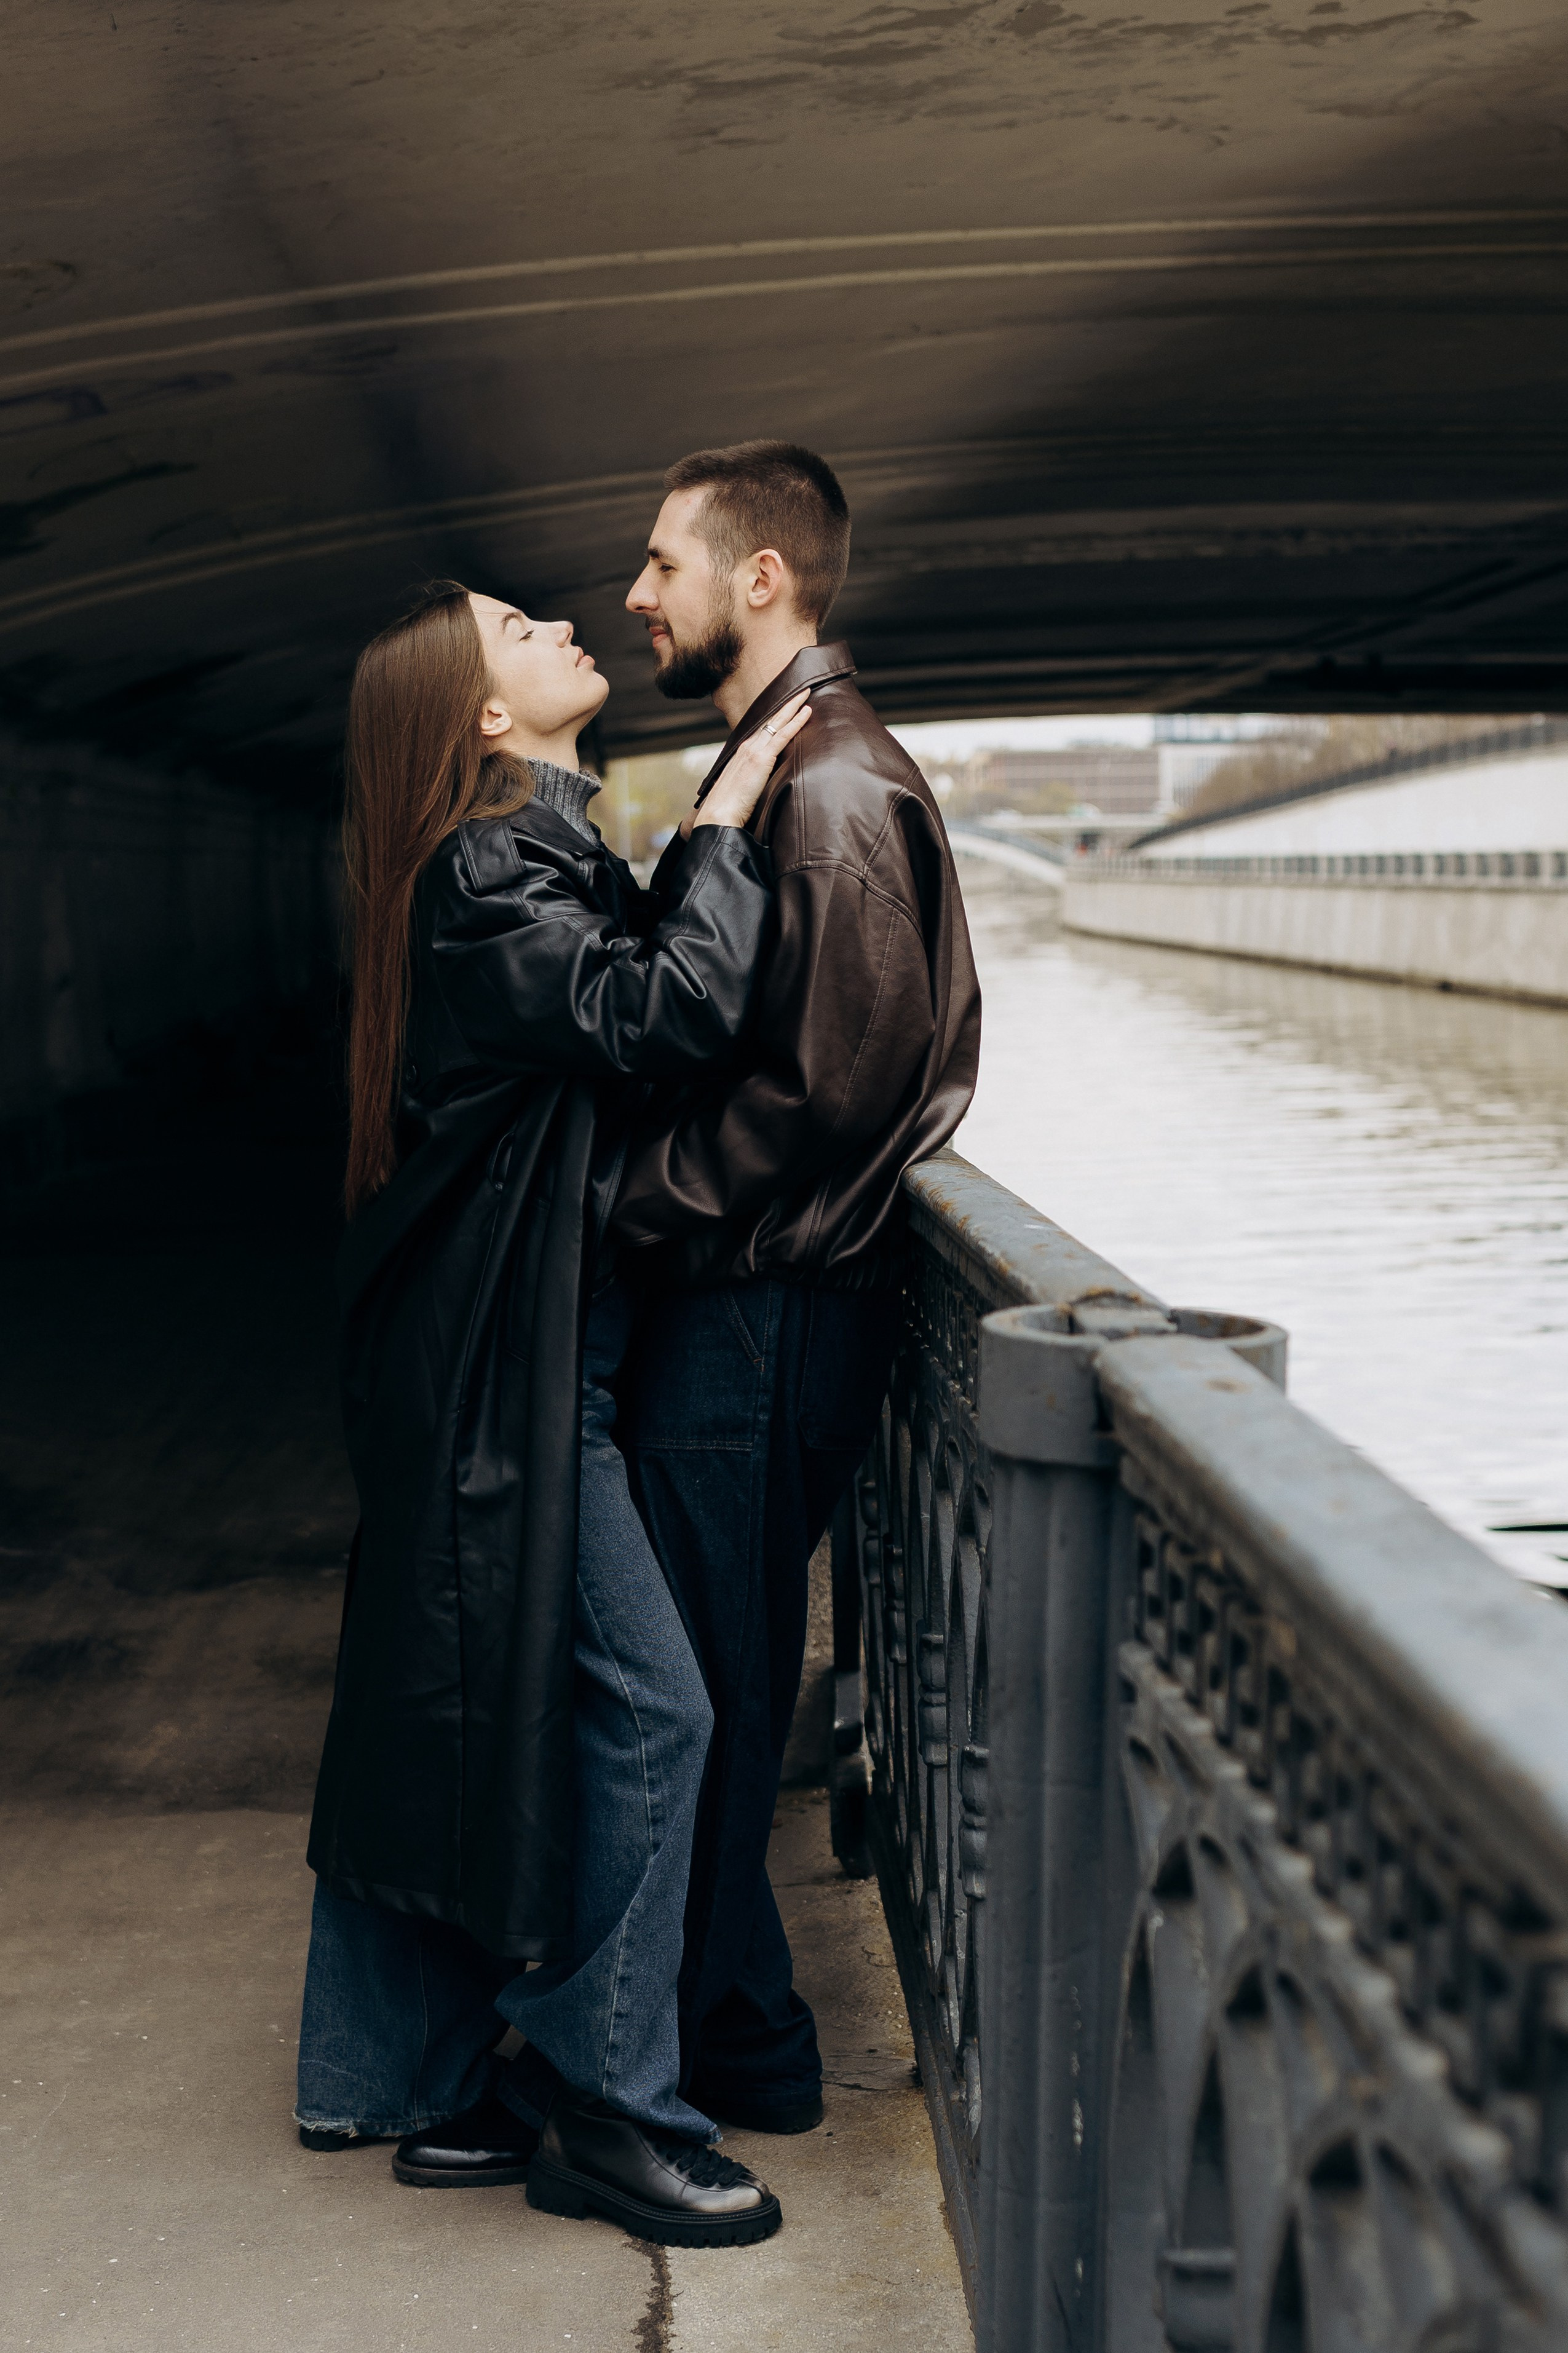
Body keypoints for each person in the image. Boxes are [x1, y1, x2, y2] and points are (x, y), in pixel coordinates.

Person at [295, 579, 812, 2247]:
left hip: (536, 1367)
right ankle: (607, 2101)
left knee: (547, 1713)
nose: (568, 627)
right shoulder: (486, 865)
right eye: (519, 629)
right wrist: (726, 818)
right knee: (659, 1709)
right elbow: (656, 1008)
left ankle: (503, 2081)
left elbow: (624, 1010)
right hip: (520, 1388)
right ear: (486, 722)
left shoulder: (527, 853)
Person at [614, 442, 982, 2134]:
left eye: (664, 564)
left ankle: (737, 2051)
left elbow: (829, 1081)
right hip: (772, 1298)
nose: (637, 596)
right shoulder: (794, 762)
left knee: (713, 1687)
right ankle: (726, 2031)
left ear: (760, 579)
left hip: (762, 1303)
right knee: (722, 1677)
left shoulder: (825, 782)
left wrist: (629, 1202)